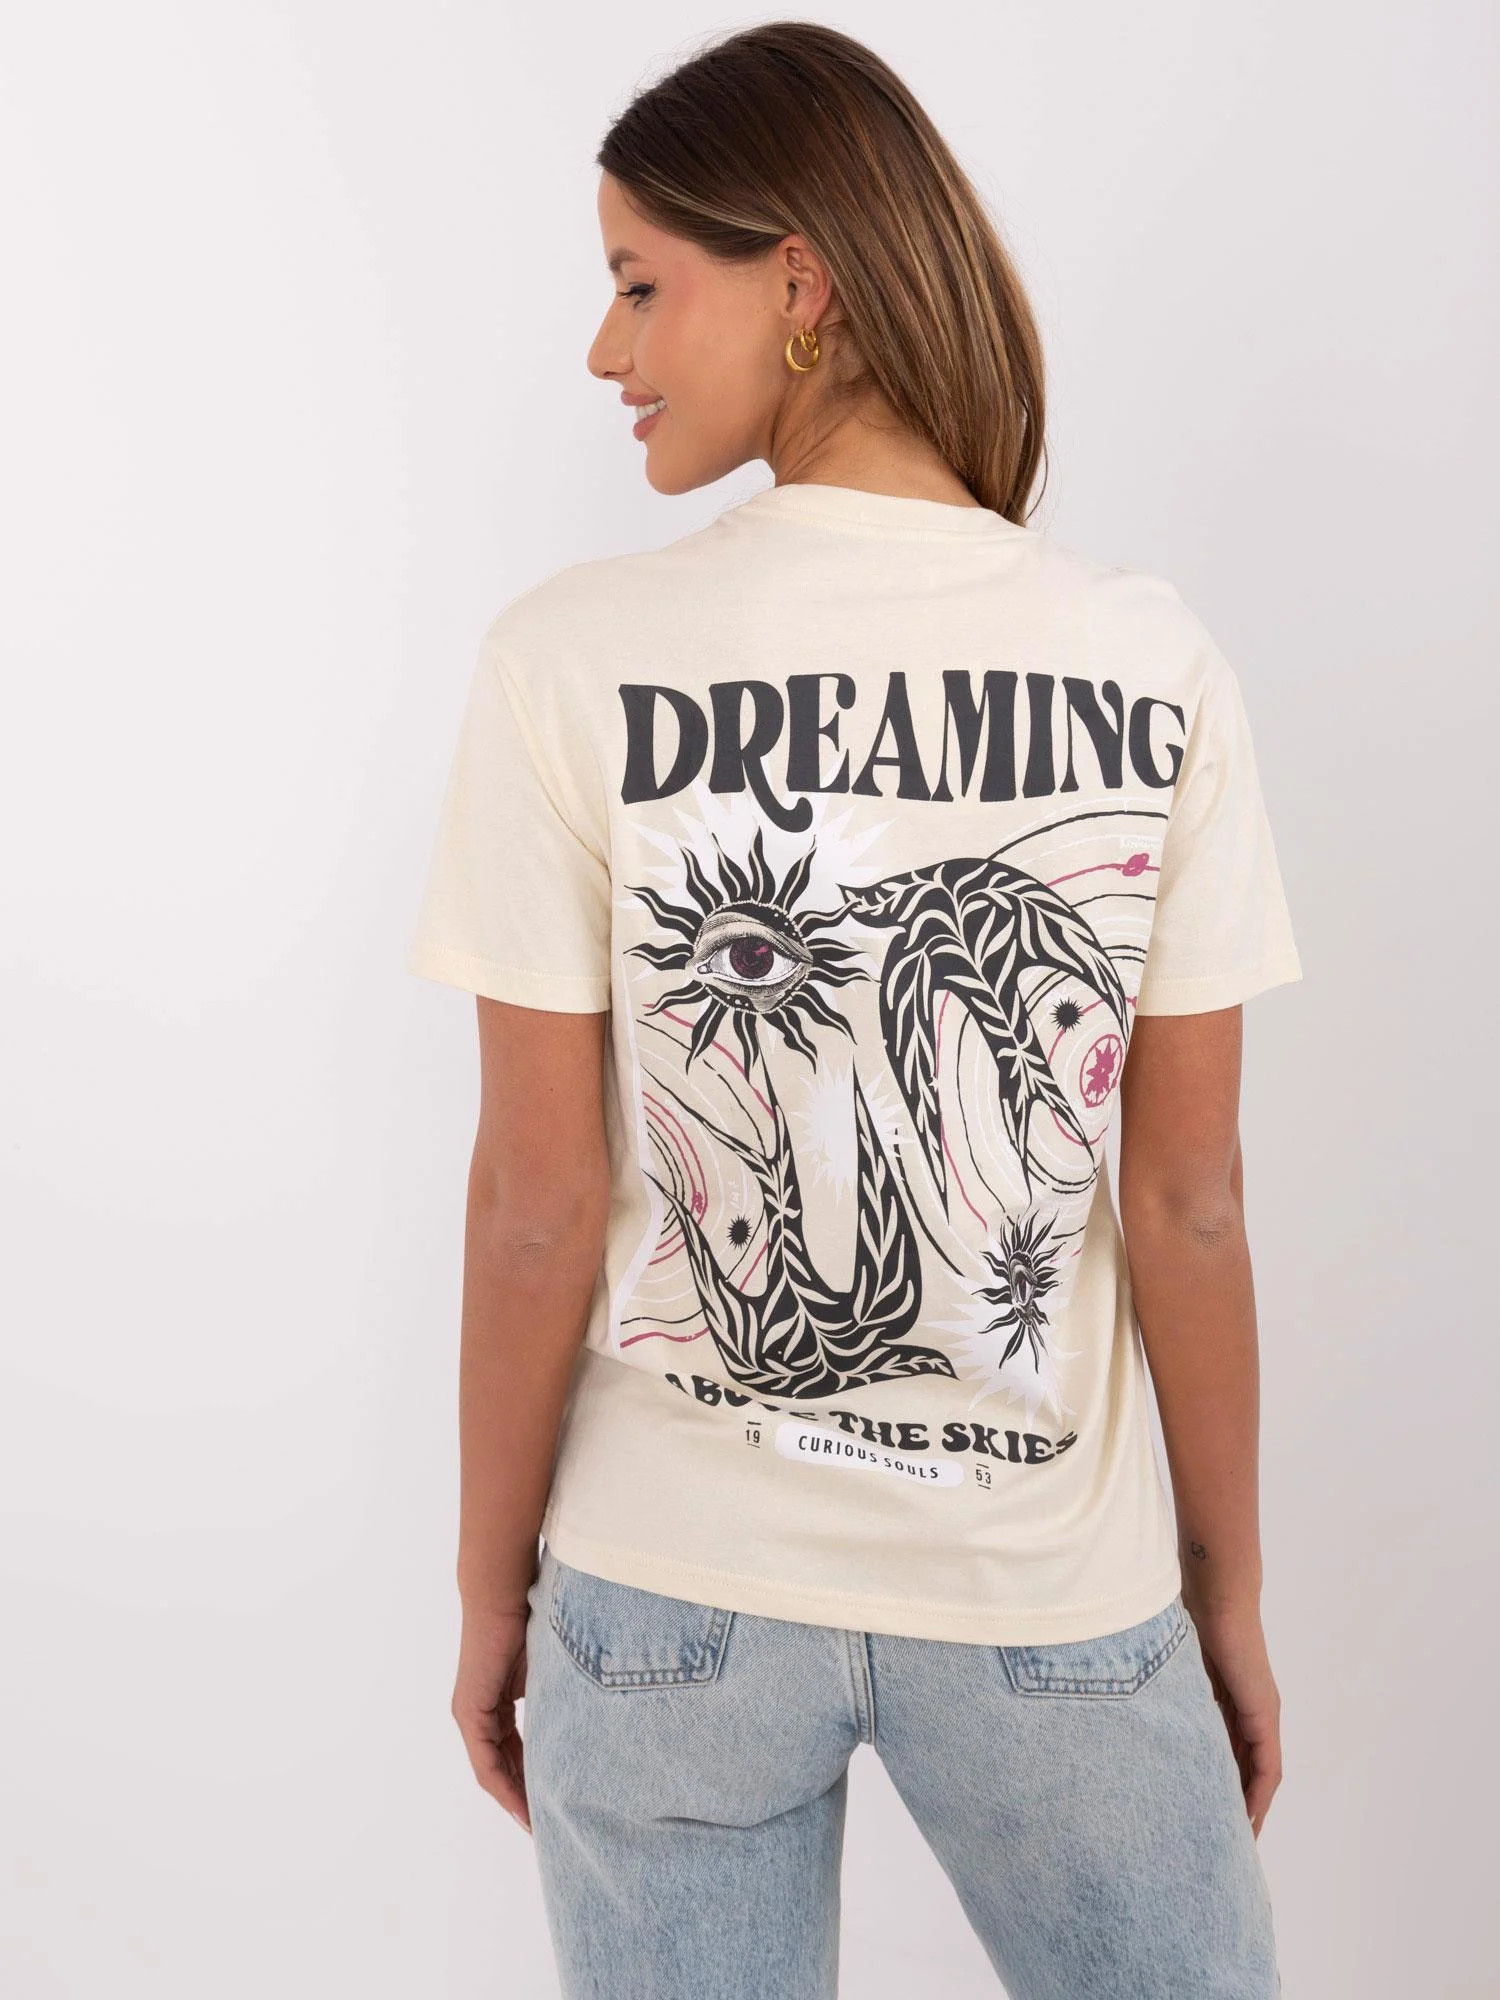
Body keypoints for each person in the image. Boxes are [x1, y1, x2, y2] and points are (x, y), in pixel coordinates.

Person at [405, 21, 1300, 1998]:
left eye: (643, 283)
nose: (605, 349)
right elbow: (1191, 1202)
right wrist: (1224, 1590)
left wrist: (490, 1590)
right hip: (1049, 1588)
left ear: (800, 281)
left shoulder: (570, 660)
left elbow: (535, 1207)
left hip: (669, 1598)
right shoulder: (1145, 660)